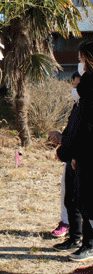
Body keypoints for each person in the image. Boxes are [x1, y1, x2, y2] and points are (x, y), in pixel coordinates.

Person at [57, 41, 93, 263]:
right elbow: (77, 126)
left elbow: (86, 129)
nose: (79, 63)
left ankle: (88, 245)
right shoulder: (84, 93)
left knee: (87, 202)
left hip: (87, 155)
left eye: (81, 59)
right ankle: (79, 240)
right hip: (81, 154)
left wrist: (76, 153)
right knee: (79, 200)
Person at [49, 72, 81, 238]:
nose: (74, 89)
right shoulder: (76, 106)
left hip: (81, 157)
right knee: (68, 195)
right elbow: (72, 133)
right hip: (71, 156)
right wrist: (61, 138)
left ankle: (80, 234)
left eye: (77, 86)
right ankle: (67, 224)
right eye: (73, 86)